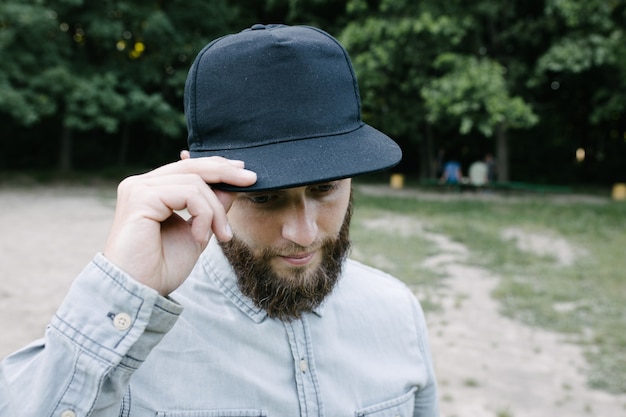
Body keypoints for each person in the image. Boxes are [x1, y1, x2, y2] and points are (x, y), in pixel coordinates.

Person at [0, 24, 438, 416]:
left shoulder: (396, 312)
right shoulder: (125, 338)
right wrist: (122, 287)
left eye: (325, 190)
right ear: (200, 180)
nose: (304, 233)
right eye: (265, 197)